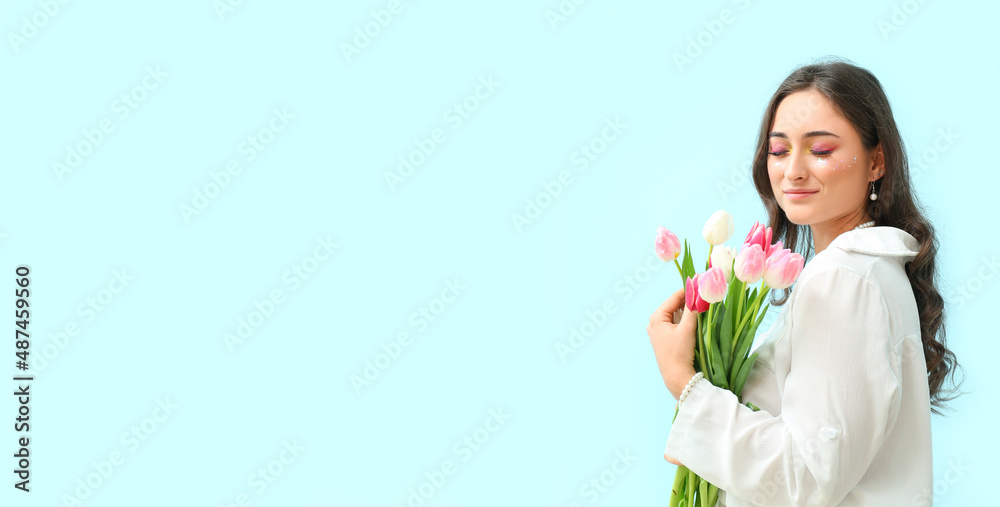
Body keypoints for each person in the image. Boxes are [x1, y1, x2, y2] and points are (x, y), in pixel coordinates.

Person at [646, 59, 964, 506]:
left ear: (876, 161)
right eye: (779, 151)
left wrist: (682, 380)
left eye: (821, 151)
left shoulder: (845, 279)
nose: (792, 171)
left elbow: (805, 479)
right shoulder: (868, 271)